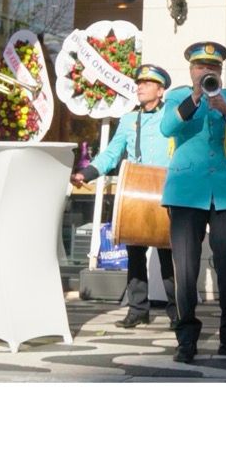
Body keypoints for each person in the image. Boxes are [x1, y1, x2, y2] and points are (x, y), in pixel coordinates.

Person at [160, 41, 226, 365]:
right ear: (192, 70)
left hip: (224, 194)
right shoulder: (176, 96)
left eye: (213, 68)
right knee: (186, 270)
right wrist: (195, 98)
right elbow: (166, 128)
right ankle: (186, 339)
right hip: (186, 191)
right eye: (202, 67)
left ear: (220, 71)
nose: (207, 72)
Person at [70, 63, 176, 329]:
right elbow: (111, 153)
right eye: (139, 83)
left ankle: (178, 313)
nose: (140, 87)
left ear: (160, 90)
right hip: (136, 195)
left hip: (165, 192)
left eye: (147, 84)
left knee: (169, 257)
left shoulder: (172, 117)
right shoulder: (129, 120)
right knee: (135, 254)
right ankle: (138, 309)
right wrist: (87, 173)